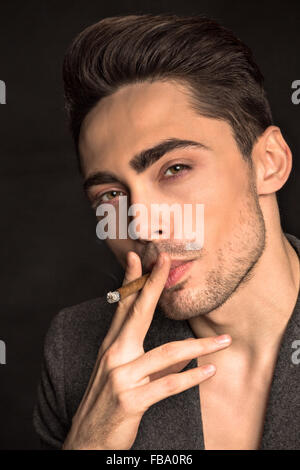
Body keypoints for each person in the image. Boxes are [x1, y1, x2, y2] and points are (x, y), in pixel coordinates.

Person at [33, 13, 300, 450]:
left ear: (268, 162)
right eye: (111, 196)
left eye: (175, 169)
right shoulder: (74, 351)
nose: (140, 224)